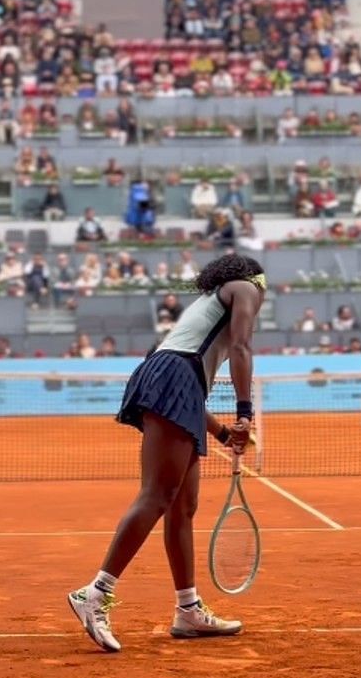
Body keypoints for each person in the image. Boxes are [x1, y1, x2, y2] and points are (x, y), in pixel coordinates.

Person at [68, 255, 267, 653]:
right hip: (174, 378)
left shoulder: (207, 310)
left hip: (177, 382)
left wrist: (225, 433)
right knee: (157, 496)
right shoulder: (245, 288)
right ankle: (95, 593)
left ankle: (187, 610)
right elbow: (242, 347)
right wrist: (245, 414)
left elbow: (189, 387)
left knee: (182, 506)